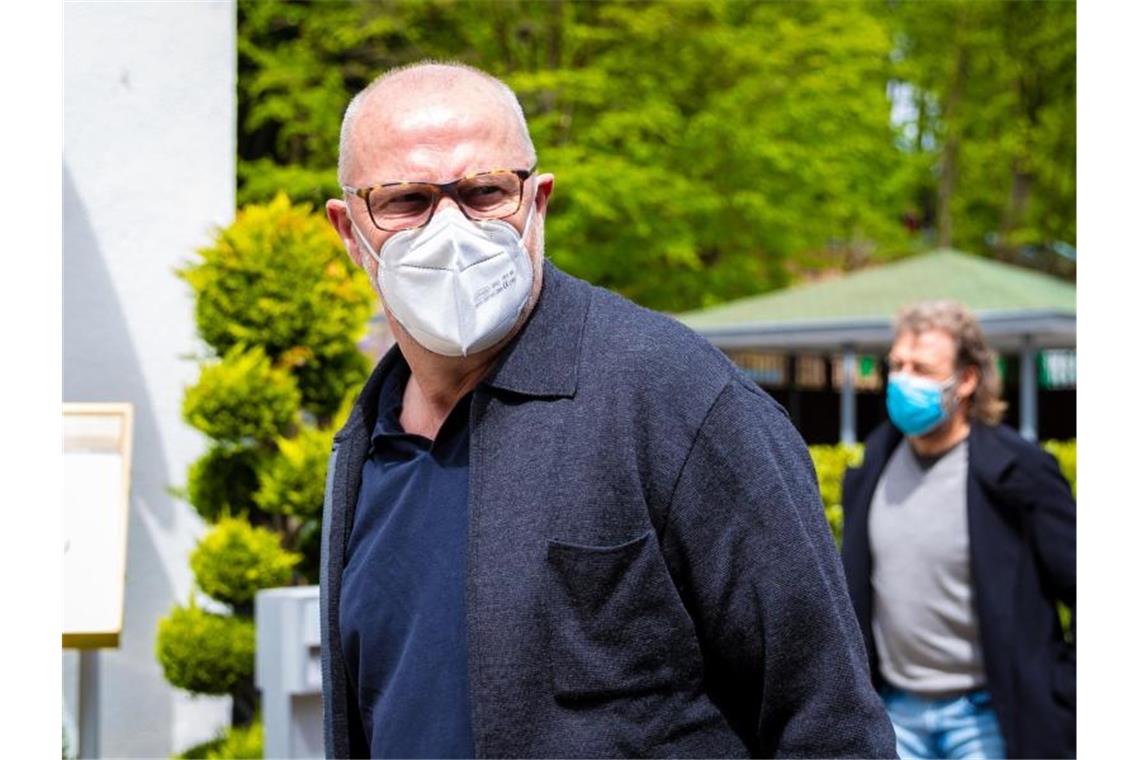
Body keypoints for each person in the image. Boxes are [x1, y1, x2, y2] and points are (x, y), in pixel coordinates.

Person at [319, 60, 896, 759]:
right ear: (350, 231)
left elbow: (830, 727)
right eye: (406, 201)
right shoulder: (365, 441)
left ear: (538, 202)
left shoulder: (677, 400)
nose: (451, 230)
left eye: (484, 192)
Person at [840, 300, 1076, 759]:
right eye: (897, 366)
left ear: (966, 380)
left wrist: (1064, 687)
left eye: (922, 369)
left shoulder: (1018, 471)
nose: (902, 380)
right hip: (894, 713)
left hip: (989, 717)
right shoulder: (876, 461)